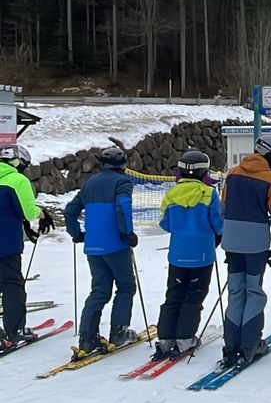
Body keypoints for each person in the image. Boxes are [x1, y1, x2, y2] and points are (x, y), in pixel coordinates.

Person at [219, 134, 271, 366]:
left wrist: (224, 234)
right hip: (256, 243)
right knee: (254, 291)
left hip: (232, 242)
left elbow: (223, 207)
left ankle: (231, 346)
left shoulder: (233, 173)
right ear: (270, 154)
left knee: (236, 291)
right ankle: (250, 343)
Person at [65, 146, 139, 357]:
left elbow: (70, 210)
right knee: (126, 286)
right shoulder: (122, 182)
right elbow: (122, 206)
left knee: (99, 291)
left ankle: (87, 339)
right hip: (115, 244)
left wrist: (77, 234)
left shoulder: (90, 183)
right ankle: (119, 331)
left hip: (94, 245)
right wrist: (127, 233)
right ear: (123, 164)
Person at [154, 149, 224, 359]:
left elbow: (165, 223)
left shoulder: (171, 194)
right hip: (202, 253)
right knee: (194, 295)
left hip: (177, 253)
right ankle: (185, 338)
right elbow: (217, 222)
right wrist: (217, 235)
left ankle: (165, 339)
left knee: (173, 294)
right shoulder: (208, 193)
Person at [0, 144, 53, 349]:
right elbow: (28, 211)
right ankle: (15, 331)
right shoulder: (17, 179)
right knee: (12, 286)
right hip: (5, 244)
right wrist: (42, 214)